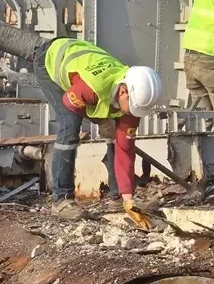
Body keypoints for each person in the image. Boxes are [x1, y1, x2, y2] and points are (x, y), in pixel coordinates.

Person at [34, 37, 162, 229]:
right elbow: (69, 103)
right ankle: (61, 200)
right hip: (50, 60)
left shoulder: (134, 102)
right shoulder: (93, 88)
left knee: (116, 133)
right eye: (133, 108)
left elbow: (125, 149)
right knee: (70, 125)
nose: (133, 114)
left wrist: (130, 200)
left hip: (82, 62)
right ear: (124, 91)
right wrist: (102, 120)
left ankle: (119, 197)